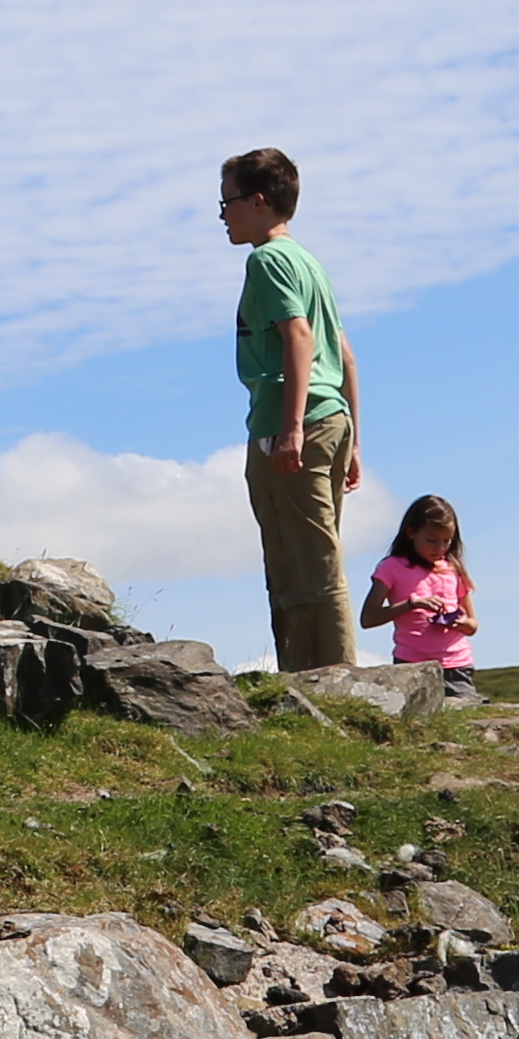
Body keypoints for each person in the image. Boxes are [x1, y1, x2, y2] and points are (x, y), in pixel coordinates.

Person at [222, 147, 355, 671]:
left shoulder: (269, 260)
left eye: (227, 201)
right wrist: (355, 439)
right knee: (319, 555)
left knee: (302, 565)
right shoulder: (310, 264)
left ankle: (325, 684)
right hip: (333, 418)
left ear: (257, 201)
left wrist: (291, 428)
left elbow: (299, 337)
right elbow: (343, 355)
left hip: (291, 424)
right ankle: (332, 678)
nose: (224, 215)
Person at [364, 493, 477, 670]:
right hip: (411, 664)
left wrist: (463, 624)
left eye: (446, 541)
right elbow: (368, 618)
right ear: (411, 532)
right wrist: (411, 605)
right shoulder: (391, 567)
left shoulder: (453, 569)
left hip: (457, 665)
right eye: (431, 540)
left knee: (463, 699)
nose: (439, 548)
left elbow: (473, 625)